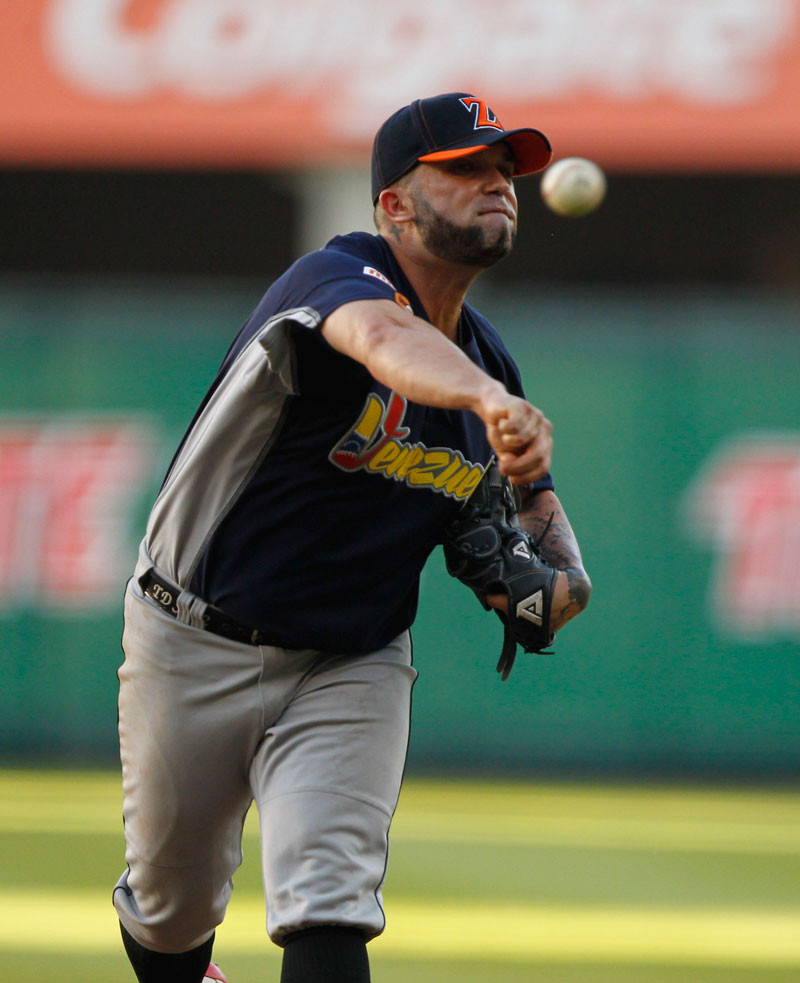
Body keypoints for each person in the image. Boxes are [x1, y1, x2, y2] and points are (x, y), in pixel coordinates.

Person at [113, 92, 592, 983]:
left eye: (505, 169)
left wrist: (552, 580)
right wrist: (485, 404)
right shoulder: (338, 277)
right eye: (464, 169)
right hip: (192, 632)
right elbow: (379, 339)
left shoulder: (492, 368)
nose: (498, 183)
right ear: (394, 205)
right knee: (171, 915)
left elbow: (539, 540)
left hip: (352, 659)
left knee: (328, 901)